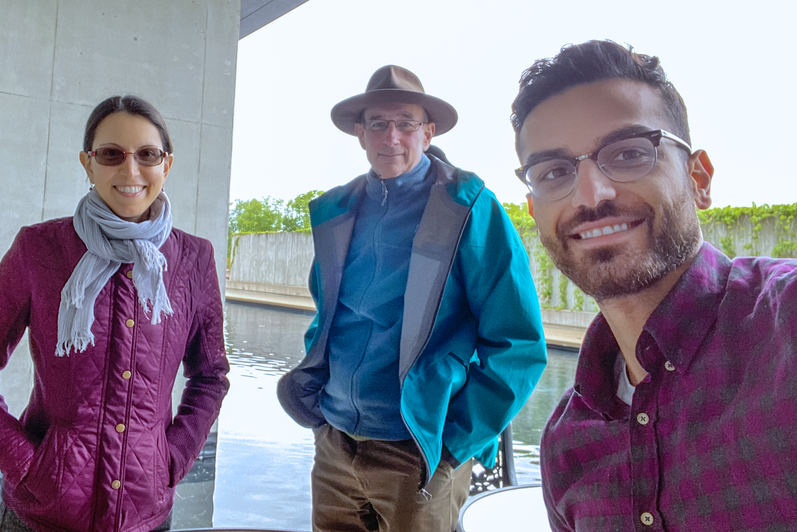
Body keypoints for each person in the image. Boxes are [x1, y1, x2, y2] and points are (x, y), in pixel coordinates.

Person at [511, 40, 797, 531]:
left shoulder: (785, 325)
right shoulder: (565, 442)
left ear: (698, 178)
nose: (591, 195)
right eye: (554, 172)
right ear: (537, 213)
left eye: (628, 153)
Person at [278, 65, 546, 532]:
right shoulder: (337, 210)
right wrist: (321, 412)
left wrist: (453, 444)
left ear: (428, 131)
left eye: (405, 123)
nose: (392, 137)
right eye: (378, 124)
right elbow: (327, 316)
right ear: (360, 133)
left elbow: (518, 343)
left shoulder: (469, 207)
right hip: (336, 443)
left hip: (419, 450)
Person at [0, 95, 230, 532]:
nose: (131, 171)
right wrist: (27, 466)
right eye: (111, 154)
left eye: (148, 155)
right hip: (42, 514)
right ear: (88, 164)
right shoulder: (38, 249)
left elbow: (211, 374)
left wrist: (172, 460)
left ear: (167, 164)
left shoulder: (194, 259)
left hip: (144, 514)